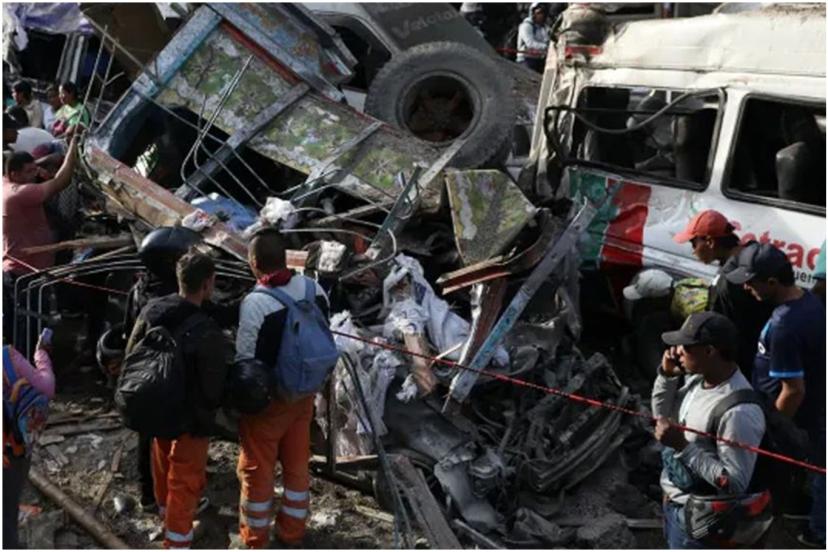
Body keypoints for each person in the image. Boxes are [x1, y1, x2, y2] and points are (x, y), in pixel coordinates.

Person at [125, 250, 229, 549]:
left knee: (162, 467)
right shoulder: (206, 329)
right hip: (190, 418)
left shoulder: (153, 310)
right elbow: (212, 386)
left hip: (157, 407)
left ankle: (165, 516)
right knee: (185, 480)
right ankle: (177, 540)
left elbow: (132, 352)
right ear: (208, 284)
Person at [725, 242, 826, 547]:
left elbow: (793, 390)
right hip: (815, 408)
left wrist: (773, 430)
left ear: (771, 282)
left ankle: (817, 531)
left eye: (750, 282)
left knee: (816, 472)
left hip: (798, 416)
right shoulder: (809, 302)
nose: (746, 288)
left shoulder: (785, 325)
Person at [234, 228, 330, 548]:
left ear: (253, 262)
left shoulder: (256, 302)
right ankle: (292, 532)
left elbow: (247, 362)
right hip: (303, 394)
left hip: (270, 402)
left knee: (257, 472)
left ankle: (255, 539)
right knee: (297, 465)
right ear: (286, 258)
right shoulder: (314, 289)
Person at [652, 311, 766, 549]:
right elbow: (661, 417)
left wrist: (682, 446)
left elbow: (735, 483)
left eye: (686, 346)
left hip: (702, 526)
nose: (677, 351)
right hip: (676, 506)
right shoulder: (697, 380)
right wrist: (667, 377)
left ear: (710, 351)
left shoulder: (739, 412)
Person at [673, 209, 772, 379]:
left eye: (694, 244)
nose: (693, 251)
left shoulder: (727, 282)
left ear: (710, 242)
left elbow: (723, 332)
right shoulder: (754, 252)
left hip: (744, 365)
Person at [2, 138, 78, 347]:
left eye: (34, 170)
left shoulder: (5, 184)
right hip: (26, 275)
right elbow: (61, 181)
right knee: (30, 329)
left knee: (17, 326)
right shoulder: (20, 193)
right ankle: (29, 364)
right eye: (28, 172)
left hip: (16, 271)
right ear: (14, 175)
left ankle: (19, 362)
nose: (33, 175)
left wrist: (38, 168)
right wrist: (73, 146)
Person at [3, 340, 55, 548]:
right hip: (13, 449)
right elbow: (47, 387)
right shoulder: (7, 357)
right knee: (6, 510)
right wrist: (41, 355)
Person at [516, 3, 550, 73]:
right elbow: (530, 43)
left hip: (539, 59)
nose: (541, 15)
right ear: (533, 13)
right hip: (526, 60)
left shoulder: (545, 28)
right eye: (538, 13)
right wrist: (546, 46)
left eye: (543, 13)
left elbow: (548, 39)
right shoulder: (526, 26)